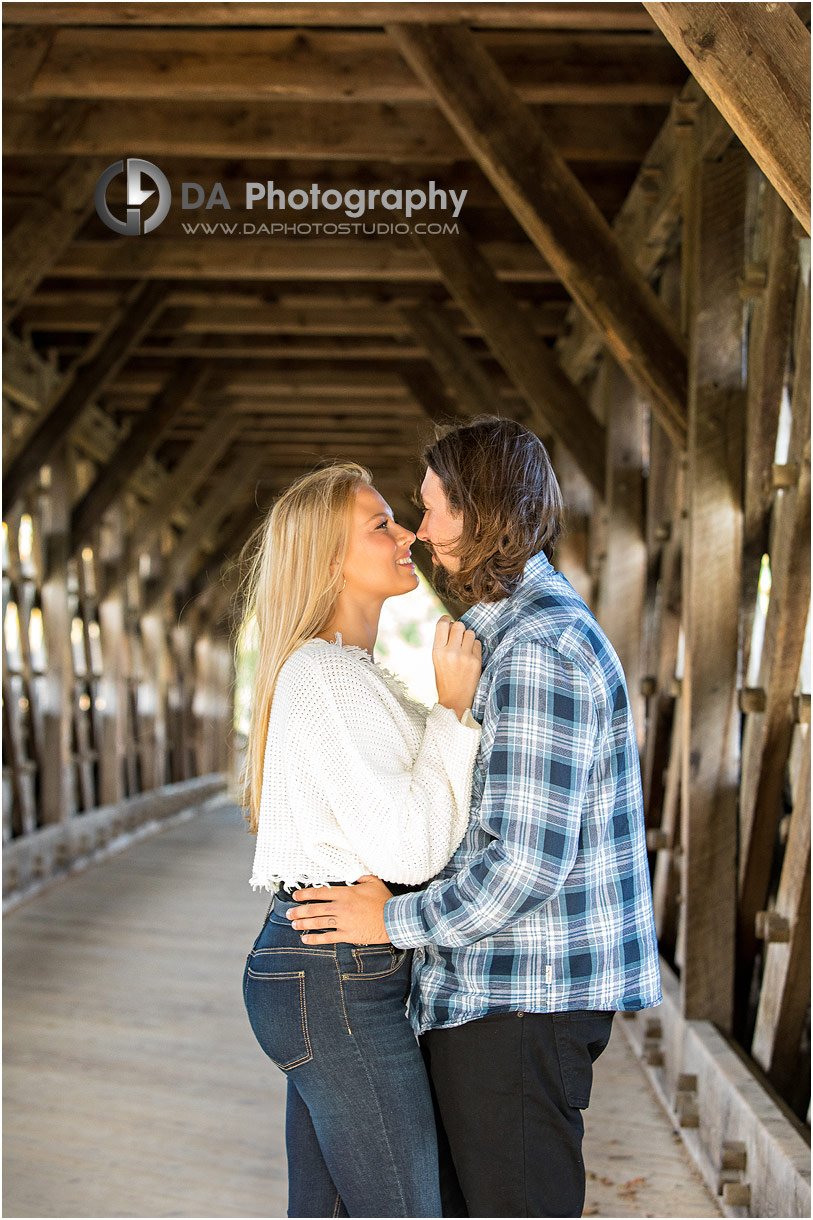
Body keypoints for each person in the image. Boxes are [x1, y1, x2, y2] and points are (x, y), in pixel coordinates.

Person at [287, 417, 664, 1219]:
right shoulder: (512, 637)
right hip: (496, 991)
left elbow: (523, 864)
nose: (420, 535)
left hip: (521, 997)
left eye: (432, 510)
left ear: (484, 510)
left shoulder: (535, 649)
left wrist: (391, 920)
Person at [238, 461, 483, 1219]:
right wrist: (452, 715)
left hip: (329, 970)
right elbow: (410, 851)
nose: (406, 532)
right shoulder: (325, 674)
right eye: (380, 524)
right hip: (334, 974)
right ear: (327, 558)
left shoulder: (351, 674)